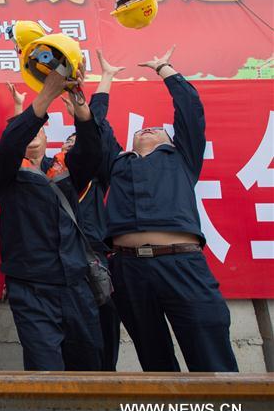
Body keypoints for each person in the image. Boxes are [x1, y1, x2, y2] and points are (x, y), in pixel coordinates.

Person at [101, 46, 238, 372]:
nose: (147, 129)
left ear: (171, 141)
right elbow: (97, 128)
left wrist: (165, 69)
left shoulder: (182, 159)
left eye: (157, 129)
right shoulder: (117, 164)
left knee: (210, 352)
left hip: (181, 262)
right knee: (155, 360)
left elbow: (190, 110)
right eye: (140, 131)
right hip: (128, 269)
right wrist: (105, 79)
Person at [0, 69, 103, 371]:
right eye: (26, 130)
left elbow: (92, 150)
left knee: (89, 367)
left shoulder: (64, 168)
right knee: (45, 370)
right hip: (32, 288)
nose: (31, 136)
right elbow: (11, 145)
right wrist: (44, 97)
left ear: (46, 133)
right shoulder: (5, 172)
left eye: (36, 130)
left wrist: (78, 99)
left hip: (77, 284)